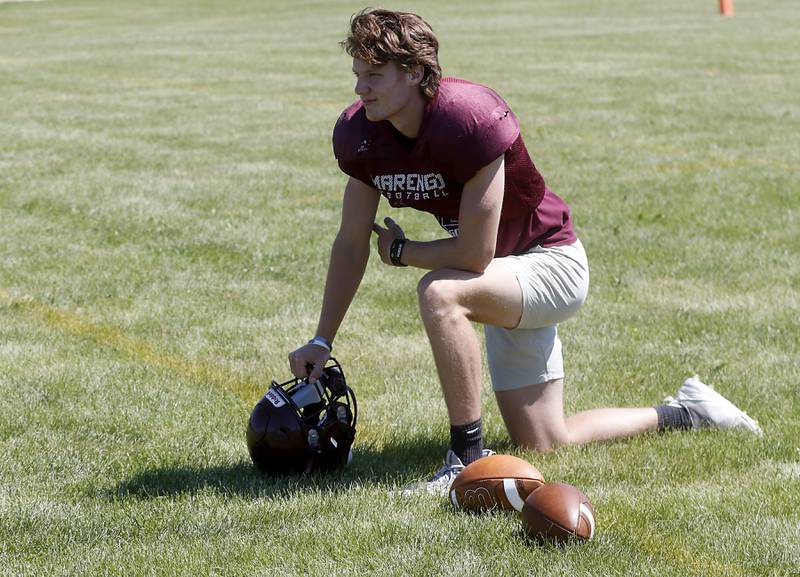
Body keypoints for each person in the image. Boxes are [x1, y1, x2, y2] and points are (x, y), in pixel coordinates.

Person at [287, 8, 762, 493]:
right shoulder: (362, 134)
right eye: (357, 75)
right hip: (501, 274)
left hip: (549, 263)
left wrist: (405, 251)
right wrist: (322, 340)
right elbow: (351, 242)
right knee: (544, 441)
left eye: (374, 75)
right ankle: (686, 412)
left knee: (440, 293)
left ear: (413, 72)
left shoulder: (467, 118)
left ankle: (464, 458)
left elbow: (473, 255)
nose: (360, 89)